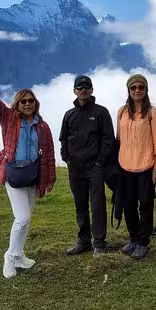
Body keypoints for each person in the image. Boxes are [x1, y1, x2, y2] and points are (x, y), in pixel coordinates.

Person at [0, 69, 56, 278]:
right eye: (23, 101)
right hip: (13, 174)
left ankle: (20, 255)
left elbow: (49, 155)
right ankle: (10, 256)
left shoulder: (43, 127)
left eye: (30, 101)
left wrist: (49, 179)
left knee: (27, 218)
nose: (27, 104)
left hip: (33, 175)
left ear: (36, 103)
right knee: (22, 218)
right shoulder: (8, 118)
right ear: (17, 104)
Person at [60, 75, 115, 257]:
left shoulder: (101, 112)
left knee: (98, 204)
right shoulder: (69, 114)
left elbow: (108, 140)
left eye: (86, 87)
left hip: (95, 167)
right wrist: (67, 159)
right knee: (80, 205)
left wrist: (100, 162)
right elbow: (64, 139)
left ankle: (99, 243)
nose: (83, 90)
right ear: (74, 91)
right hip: (75, 167)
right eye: (79, 87)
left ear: (92, 90)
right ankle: (83, 241)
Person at [115, 74, 156, 259]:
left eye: (140, 87)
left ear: (146, 90)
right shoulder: (121, 112)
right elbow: (119, 140)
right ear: (128, 90)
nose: (137, 90)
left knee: (145, 205)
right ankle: (133, 238)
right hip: (125, 167)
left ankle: (144, 242)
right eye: (133, 87)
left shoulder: (153, 113)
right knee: (128, 205)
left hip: (146, 167)